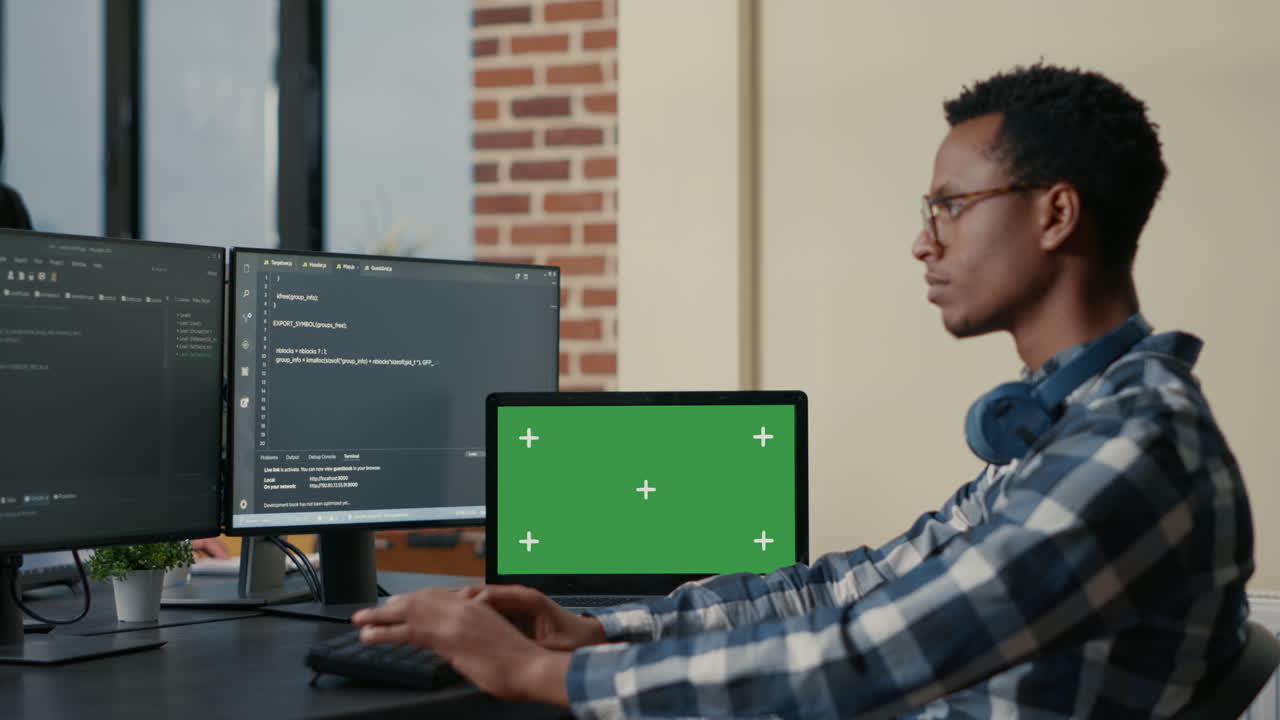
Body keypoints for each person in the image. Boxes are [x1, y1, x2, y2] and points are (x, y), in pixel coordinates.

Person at [352, 63, 1254, 718]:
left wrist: (544, 678)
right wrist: (598, 634)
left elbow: (872, 653)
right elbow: (863, 587)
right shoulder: (1070, 428)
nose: (923, 241)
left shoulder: (1130, 448)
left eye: (951, 206)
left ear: (1055, 214)